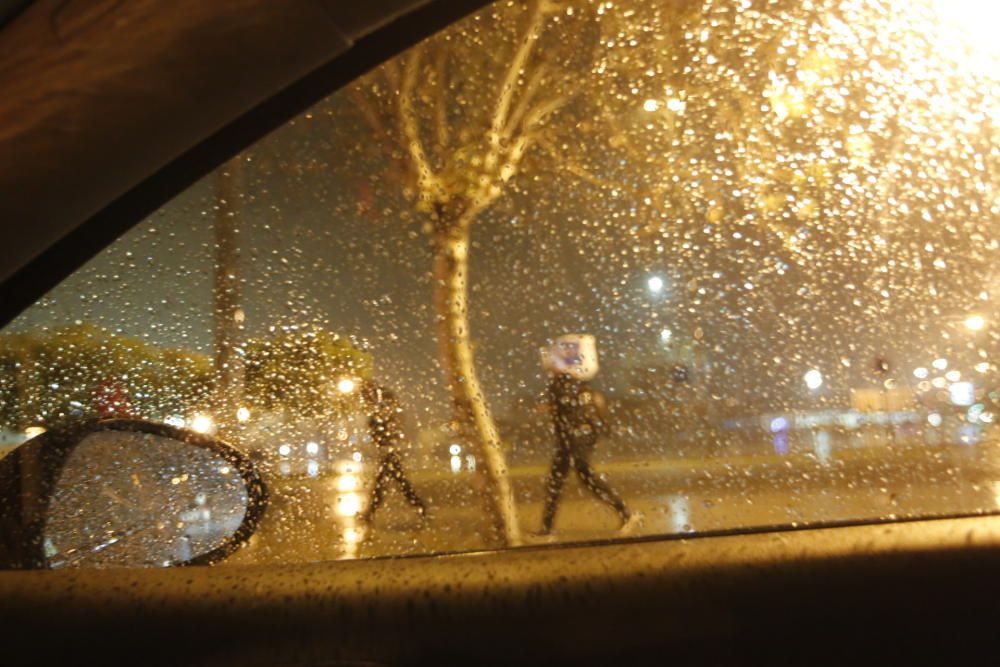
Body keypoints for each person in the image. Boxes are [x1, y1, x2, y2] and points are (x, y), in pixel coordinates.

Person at [539, 334, 641, 536]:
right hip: (573, 438)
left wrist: (554, 412)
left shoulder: (564, 383)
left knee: (571, 480)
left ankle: (626, 514)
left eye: (550, 359)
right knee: (563, 481)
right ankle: (546, 528)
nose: (547, 363)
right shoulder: (570, 383)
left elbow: (572, 411)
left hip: (574, 439)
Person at [359, 380, 427, 524]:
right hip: (389, 449)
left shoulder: (382, 403)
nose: (365, 400)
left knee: (386, 483)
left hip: (390, 450)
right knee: (397, 482)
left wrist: (383, 437)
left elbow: (388, 422)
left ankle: (370, 512)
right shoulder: (381, 403)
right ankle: (419, 506)